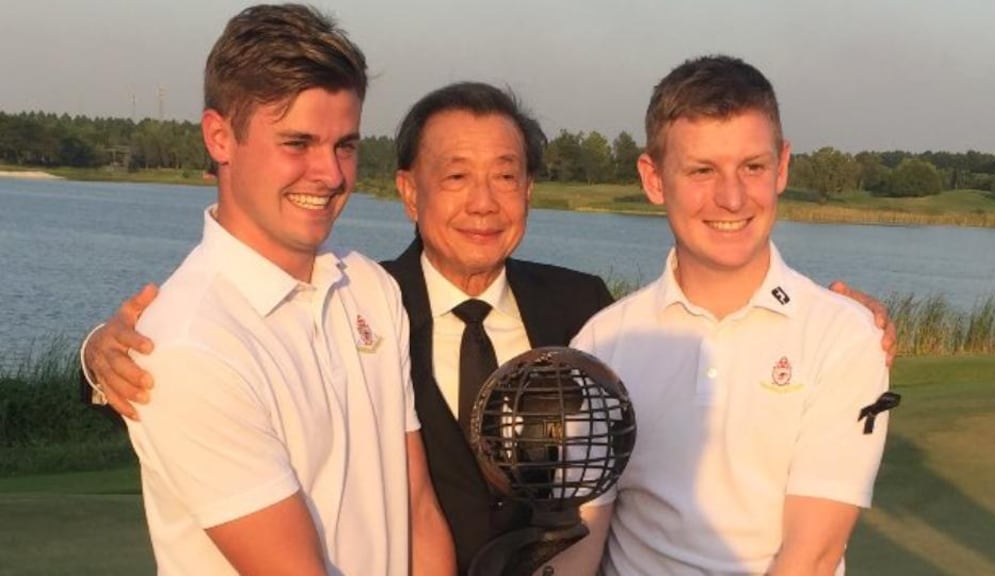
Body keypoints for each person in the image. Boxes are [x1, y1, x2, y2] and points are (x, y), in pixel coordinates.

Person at [80, 79, 896, 573]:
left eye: (506, 177)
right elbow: (234, 329)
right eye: (456, 176)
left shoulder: (587, 314)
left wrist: (842, 326)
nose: (484, 203)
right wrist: (97, 353)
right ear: (407, 189)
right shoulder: (364, 302)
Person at [100, 4, 453, 575]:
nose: (332, 174)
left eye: (345, 145)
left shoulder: (370, 287)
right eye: (297, 143)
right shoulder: (190, 345)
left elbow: (416, 509)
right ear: (220, 136)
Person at [562, 55, 894, 575]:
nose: (732, 197)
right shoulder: (602, 344)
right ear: (653, 178)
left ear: (782, 166)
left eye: (753, 167)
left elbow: (812, 555)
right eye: (701, 170)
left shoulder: (844, 336)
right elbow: (583, 535)